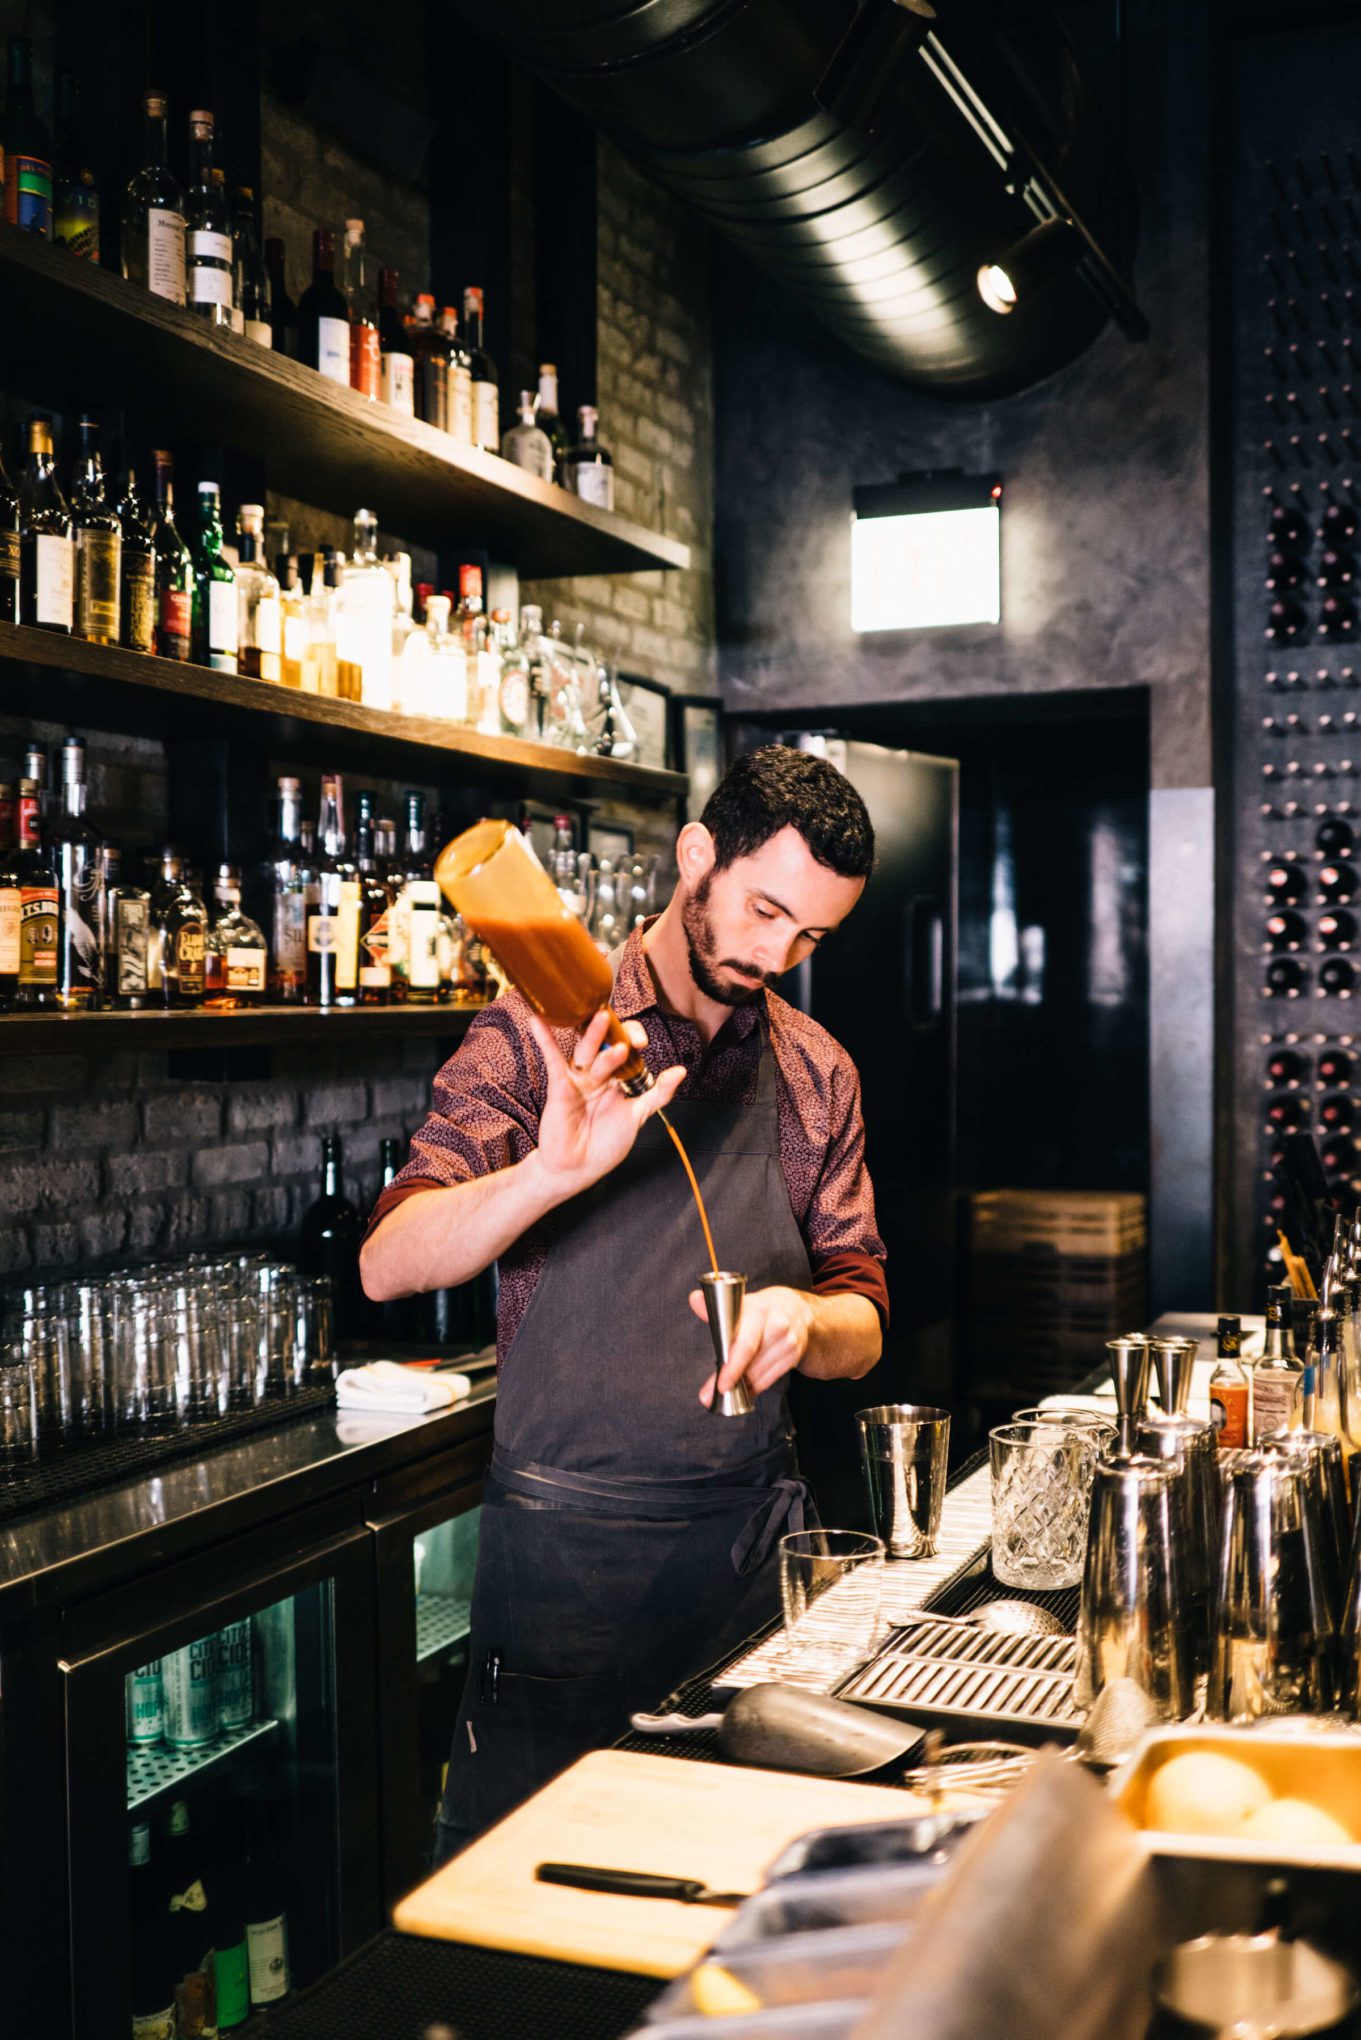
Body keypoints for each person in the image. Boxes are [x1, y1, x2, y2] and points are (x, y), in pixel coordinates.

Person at [360, 745, 887, 1858]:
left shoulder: (816, 1071)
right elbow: (388, 1261)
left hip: (751, 1568)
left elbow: (863, 1314)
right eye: (761, 910)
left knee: (732, 1913)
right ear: (697, 854)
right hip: (565, 1578)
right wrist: (548, 1171)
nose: (774, 953)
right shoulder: (544, 1029)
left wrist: (806, 1322)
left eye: (808, 936)